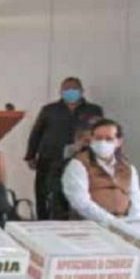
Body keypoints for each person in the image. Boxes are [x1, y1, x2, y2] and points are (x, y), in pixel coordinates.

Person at [25, 77, 104, 219]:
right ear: (61, 92)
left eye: (74, 89)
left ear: (81, 91)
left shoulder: (93, 110)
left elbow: (100, 133)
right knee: (44, 193)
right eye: (66, 89)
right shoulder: (49, 110)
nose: (70, 92)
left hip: (81, 159)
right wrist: (30, 155)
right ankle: (43, 223)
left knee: (76, 194)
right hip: (49, 158)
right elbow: (36, 133)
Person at [61, 118, 140, 225]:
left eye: (109, 139)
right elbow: (80, 201)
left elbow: (137, 199)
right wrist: (111, 221)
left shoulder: (128, 168)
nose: (102, 143)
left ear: (118, 142)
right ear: (91, 140)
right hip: (90, 225)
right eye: (98, 138)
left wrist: (135, 221)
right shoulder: (78, 164)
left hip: (127, 224)